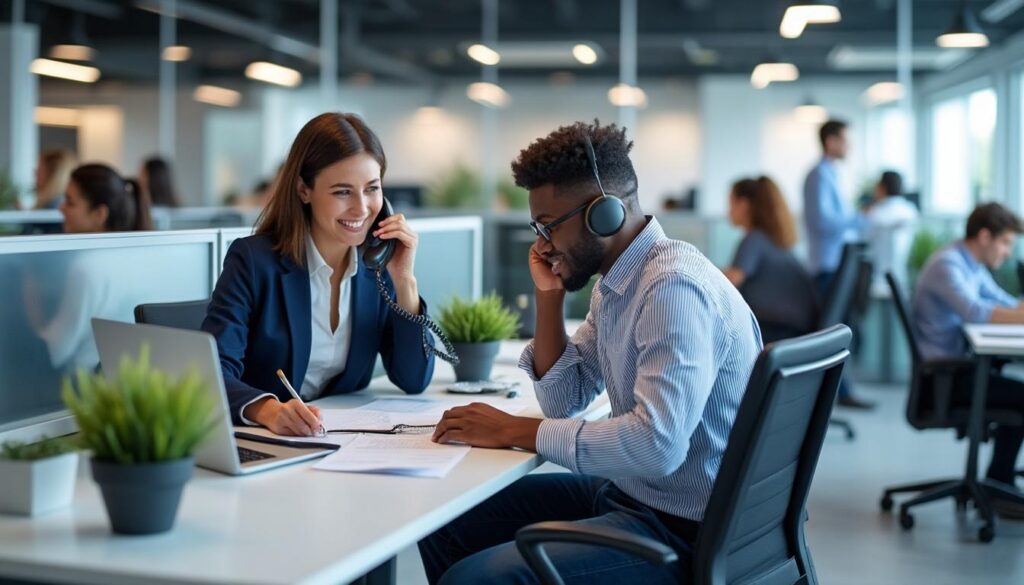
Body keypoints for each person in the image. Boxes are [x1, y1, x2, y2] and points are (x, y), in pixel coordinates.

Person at [418, 120, 762, 584]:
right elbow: (564, 401)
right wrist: (549, 298)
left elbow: (657, 445)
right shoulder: (619, 282)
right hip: (637, 496)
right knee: (442, 521)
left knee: (477, 579)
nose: (541, 244)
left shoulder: (671, 289)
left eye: (549, 226)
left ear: (606, 214)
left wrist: (516, 430)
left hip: (685, 533)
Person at [201, 113, 435, 436]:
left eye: (372, 189)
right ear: (303, 190)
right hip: (271, 442)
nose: (362, 208)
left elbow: (413, 379)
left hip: (342, 445)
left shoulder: (376, 270)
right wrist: (267, 409)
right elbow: (212, 371)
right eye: (342, 192)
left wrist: (405, 280)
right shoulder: (253, 262)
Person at [913, 202, 1024, 518]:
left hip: (959, 370)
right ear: (985, 236)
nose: (1006, 253)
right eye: (1005, 243)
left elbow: (1000, 302)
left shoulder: (971, 265)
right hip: (945, 379)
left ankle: (997, 480)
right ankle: (998, 483)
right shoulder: (948, 265)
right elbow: (975, 311)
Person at [25, 163, 152, 371]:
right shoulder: (137, 256)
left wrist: (31, 304)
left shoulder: (89, 267)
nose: (60, 208)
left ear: (100, 214)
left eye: (70, 202)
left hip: (83, 391)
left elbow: (54, 350)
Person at [803, 120, 872, 409]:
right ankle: (837, 392)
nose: (849, 146)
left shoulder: (830, 173)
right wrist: (858, 216)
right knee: (831, 332)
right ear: (830, 141)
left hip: (835, 265)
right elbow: (823, 222)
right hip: (827, 267)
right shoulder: (819, 175)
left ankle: (840, 391)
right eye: (845, 139)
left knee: (837, 330)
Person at [724, 176, 817, 343]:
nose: (728, 211)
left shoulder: (754, 240)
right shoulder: (772, 239)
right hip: (795, 327)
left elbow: (726, 285)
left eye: (731, 203)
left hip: (777, 328)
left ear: (743, 205)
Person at [864, 170, 918, 292]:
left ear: (882, 188)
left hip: (876, 281)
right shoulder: (910, 210)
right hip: (900, 279)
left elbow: (860, 238)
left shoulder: (876, 213)